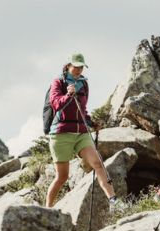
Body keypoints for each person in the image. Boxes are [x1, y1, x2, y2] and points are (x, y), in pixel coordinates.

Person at [46, 53, 117, 208]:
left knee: (98, 163)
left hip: (81, 133)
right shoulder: (58, 81)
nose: (78, 70)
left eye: (81, 67)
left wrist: (91, 122)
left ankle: (113, 201)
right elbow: (56, 104)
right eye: (76, 66)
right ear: (68, 65)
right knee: (62, 177)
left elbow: (82, 109)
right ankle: (48, 208)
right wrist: (68, 95)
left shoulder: (84, 84)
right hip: (61, 133)